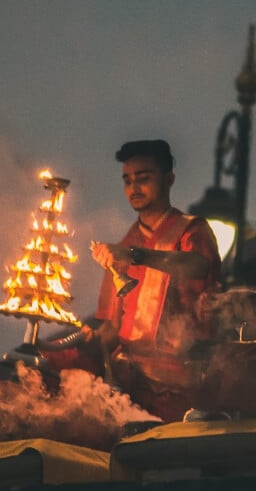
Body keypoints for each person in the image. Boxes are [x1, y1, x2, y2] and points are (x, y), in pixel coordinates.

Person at [47, 140, 222, 422]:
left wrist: (136, 256)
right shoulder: (122, 248)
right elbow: (111, 329)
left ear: (169, 179)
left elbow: (197, 266)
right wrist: (68, 343)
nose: (134, 188)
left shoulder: (191, 231)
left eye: (143, 179)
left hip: (183, 391)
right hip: (131, 391)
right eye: (127, 181)